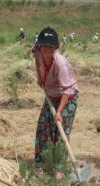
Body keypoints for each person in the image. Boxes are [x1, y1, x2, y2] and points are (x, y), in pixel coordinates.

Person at [31, 27, 79, 163]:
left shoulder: (60, 63)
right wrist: (40, 77)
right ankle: (42, 163)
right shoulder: (39, 52)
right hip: (51, 94)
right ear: (40, 46)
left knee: (61, 131)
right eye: (44, 46)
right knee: (43, 128)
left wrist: (58, 112)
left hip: (68, 97)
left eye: (51, 47)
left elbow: (67, 91)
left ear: (56, 47)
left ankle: (59, 167)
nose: (47, 50)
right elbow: (35, 55)